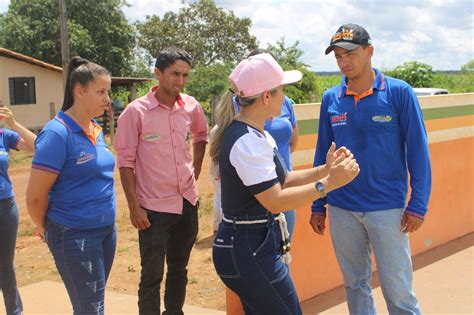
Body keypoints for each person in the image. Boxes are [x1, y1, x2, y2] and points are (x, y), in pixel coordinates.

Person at [210, 53, 360, 314]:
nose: (285, 97)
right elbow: (275, 199)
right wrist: (329, 183)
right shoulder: (248, 140)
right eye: (281, 91)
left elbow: (284, 179)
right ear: (266, 96)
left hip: (252, 246)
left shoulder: (256, 134)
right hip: (248, 248)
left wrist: (323, 170)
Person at [311, 24, 432, 315]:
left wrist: (418, 204)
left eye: (350, 54)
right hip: (342, 208)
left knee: (398, 290)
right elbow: (322, 155)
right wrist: (319, 204)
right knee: (355, 285)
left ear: (370, 51)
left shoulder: (399, 93)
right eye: (338, 56)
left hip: (387, 209)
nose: (344, 62)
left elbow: (418, 150)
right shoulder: (331, 99)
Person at [114, 47, 208, 315]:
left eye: (185, 75)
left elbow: (201, 136)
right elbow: (125, 162)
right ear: (158, 73)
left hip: (187, 204)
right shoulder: (136, 112)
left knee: (179, 270)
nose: (180, 81)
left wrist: (195, 171)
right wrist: (134, 207)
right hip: (153, 210)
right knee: (152, 276)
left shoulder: (191, 106)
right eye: (175, 74)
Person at [26, 57, 116, 315]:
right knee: (91, 309)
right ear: (80, 91)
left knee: (93, 303)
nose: (107, 98)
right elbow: (34, 198)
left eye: (107, 91)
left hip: (105, 231)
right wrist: (50, 230)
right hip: (74, 233)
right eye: (101, 91)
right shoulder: (58, 133)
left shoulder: (96, 128)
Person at [0, 107, 36, 315]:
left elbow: (37, 147)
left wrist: (14, 124)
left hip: (5, 207)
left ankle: (14, 311)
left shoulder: (5, 136)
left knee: (5, 265)